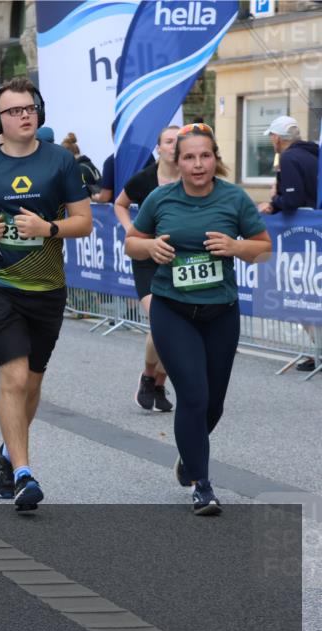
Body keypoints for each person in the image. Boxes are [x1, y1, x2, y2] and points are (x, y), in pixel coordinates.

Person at [0, 77, 93, 512]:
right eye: (14, 110)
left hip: (48, 289)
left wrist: (48, 228)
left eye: (30, 107)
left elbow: (84, 221)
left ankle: (7, 451)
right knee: (14, 379)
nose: (25, 115)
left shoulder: (61, 162)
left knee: (33, 382)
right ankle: (23, 473)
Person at [125, 123, 272, 515]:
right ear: (177, 161)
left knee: (214, 404)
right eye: (189, 156)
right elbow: (131, 243)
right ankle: (202, 485)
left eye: (205, 156)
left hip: (220, 312)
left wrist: (237, 246)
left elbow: (264, 251)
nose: (197, 164)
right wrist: (150, 247)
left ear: (215, 159)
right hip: (172, 310)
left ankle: (191, 452)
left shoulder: (234, 199)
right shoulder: (160, 198)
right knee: (193, 394)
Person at [114, 126, 180, 411]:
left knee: (176, 325)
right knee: (162, 320)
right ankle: (147, 375)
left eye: (179, 141)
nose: (175, 146)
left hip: (179, 260)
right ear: (159, 148)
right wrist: (132, 231)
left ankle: (158, 383)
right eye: (169, 141)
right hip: (146, 259)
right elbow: (120, 203)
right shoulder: (144, 179)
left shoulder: (193, 176)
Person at [257, 116, 320, 371]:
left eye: (272, 136)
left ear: (278, 137)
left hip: (301, 236)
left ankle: (319, 351)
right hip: (314, 231)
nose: (271, 140)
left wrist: (274, 203)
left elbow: (293, 199)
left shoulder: (290, 158)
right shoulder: (314, 154)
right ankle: (318, 351)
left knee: (300, 294)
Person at [96, 122, 154, 203]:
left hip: (122, 211)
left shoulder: (111, 161)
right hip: (146, 208)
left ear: (113, 136)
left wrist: (94, 197)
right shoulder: (146, 153)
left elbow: (105, 197)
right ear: (131, 134)